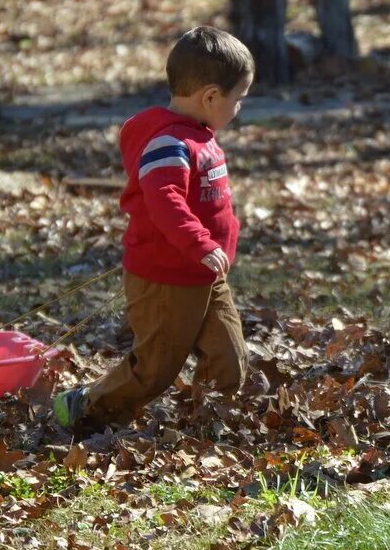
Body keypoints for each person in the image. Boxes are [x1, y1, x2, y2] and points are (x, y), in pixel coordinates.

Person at [54, 26, 255, 431]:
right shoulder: (168, 144)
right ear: (211, 97)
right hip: (166, 279)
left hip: (205, 276)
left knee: (228, 359)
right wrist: (200, 242)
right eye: (239, 99)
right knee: (154, 370)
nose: (239, 109)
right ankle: (85, 405)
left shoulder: (198, 135)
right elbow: (165, 202)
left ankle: (206, 426)